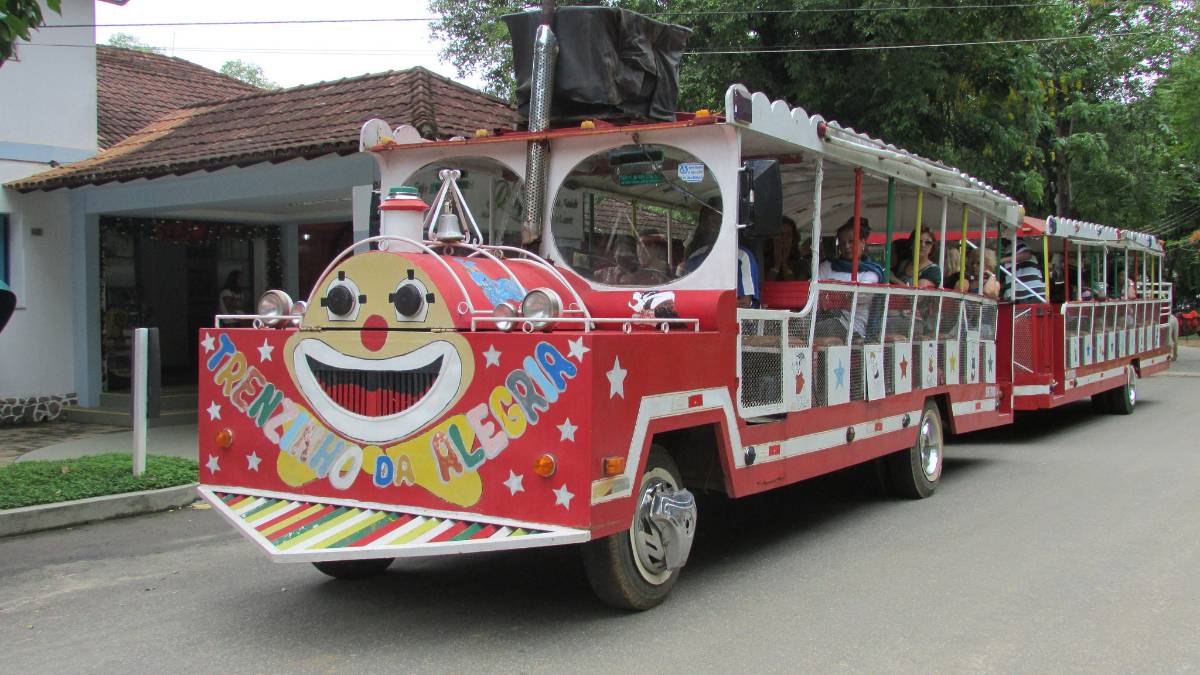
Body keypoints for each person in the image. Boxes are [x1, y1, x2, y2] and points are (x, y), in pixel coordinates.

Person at [814, 217, 883, 345]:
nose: (846, 246)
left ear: (862, 242)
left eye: (851, 241)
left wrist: (831, 293)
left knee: (822, 328)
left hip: (853, 326)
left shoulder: (871, 272)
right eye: (842, 242)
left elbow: (859, 296)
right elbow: (814, 289)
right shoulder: (828, 265)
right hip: (822, 318)